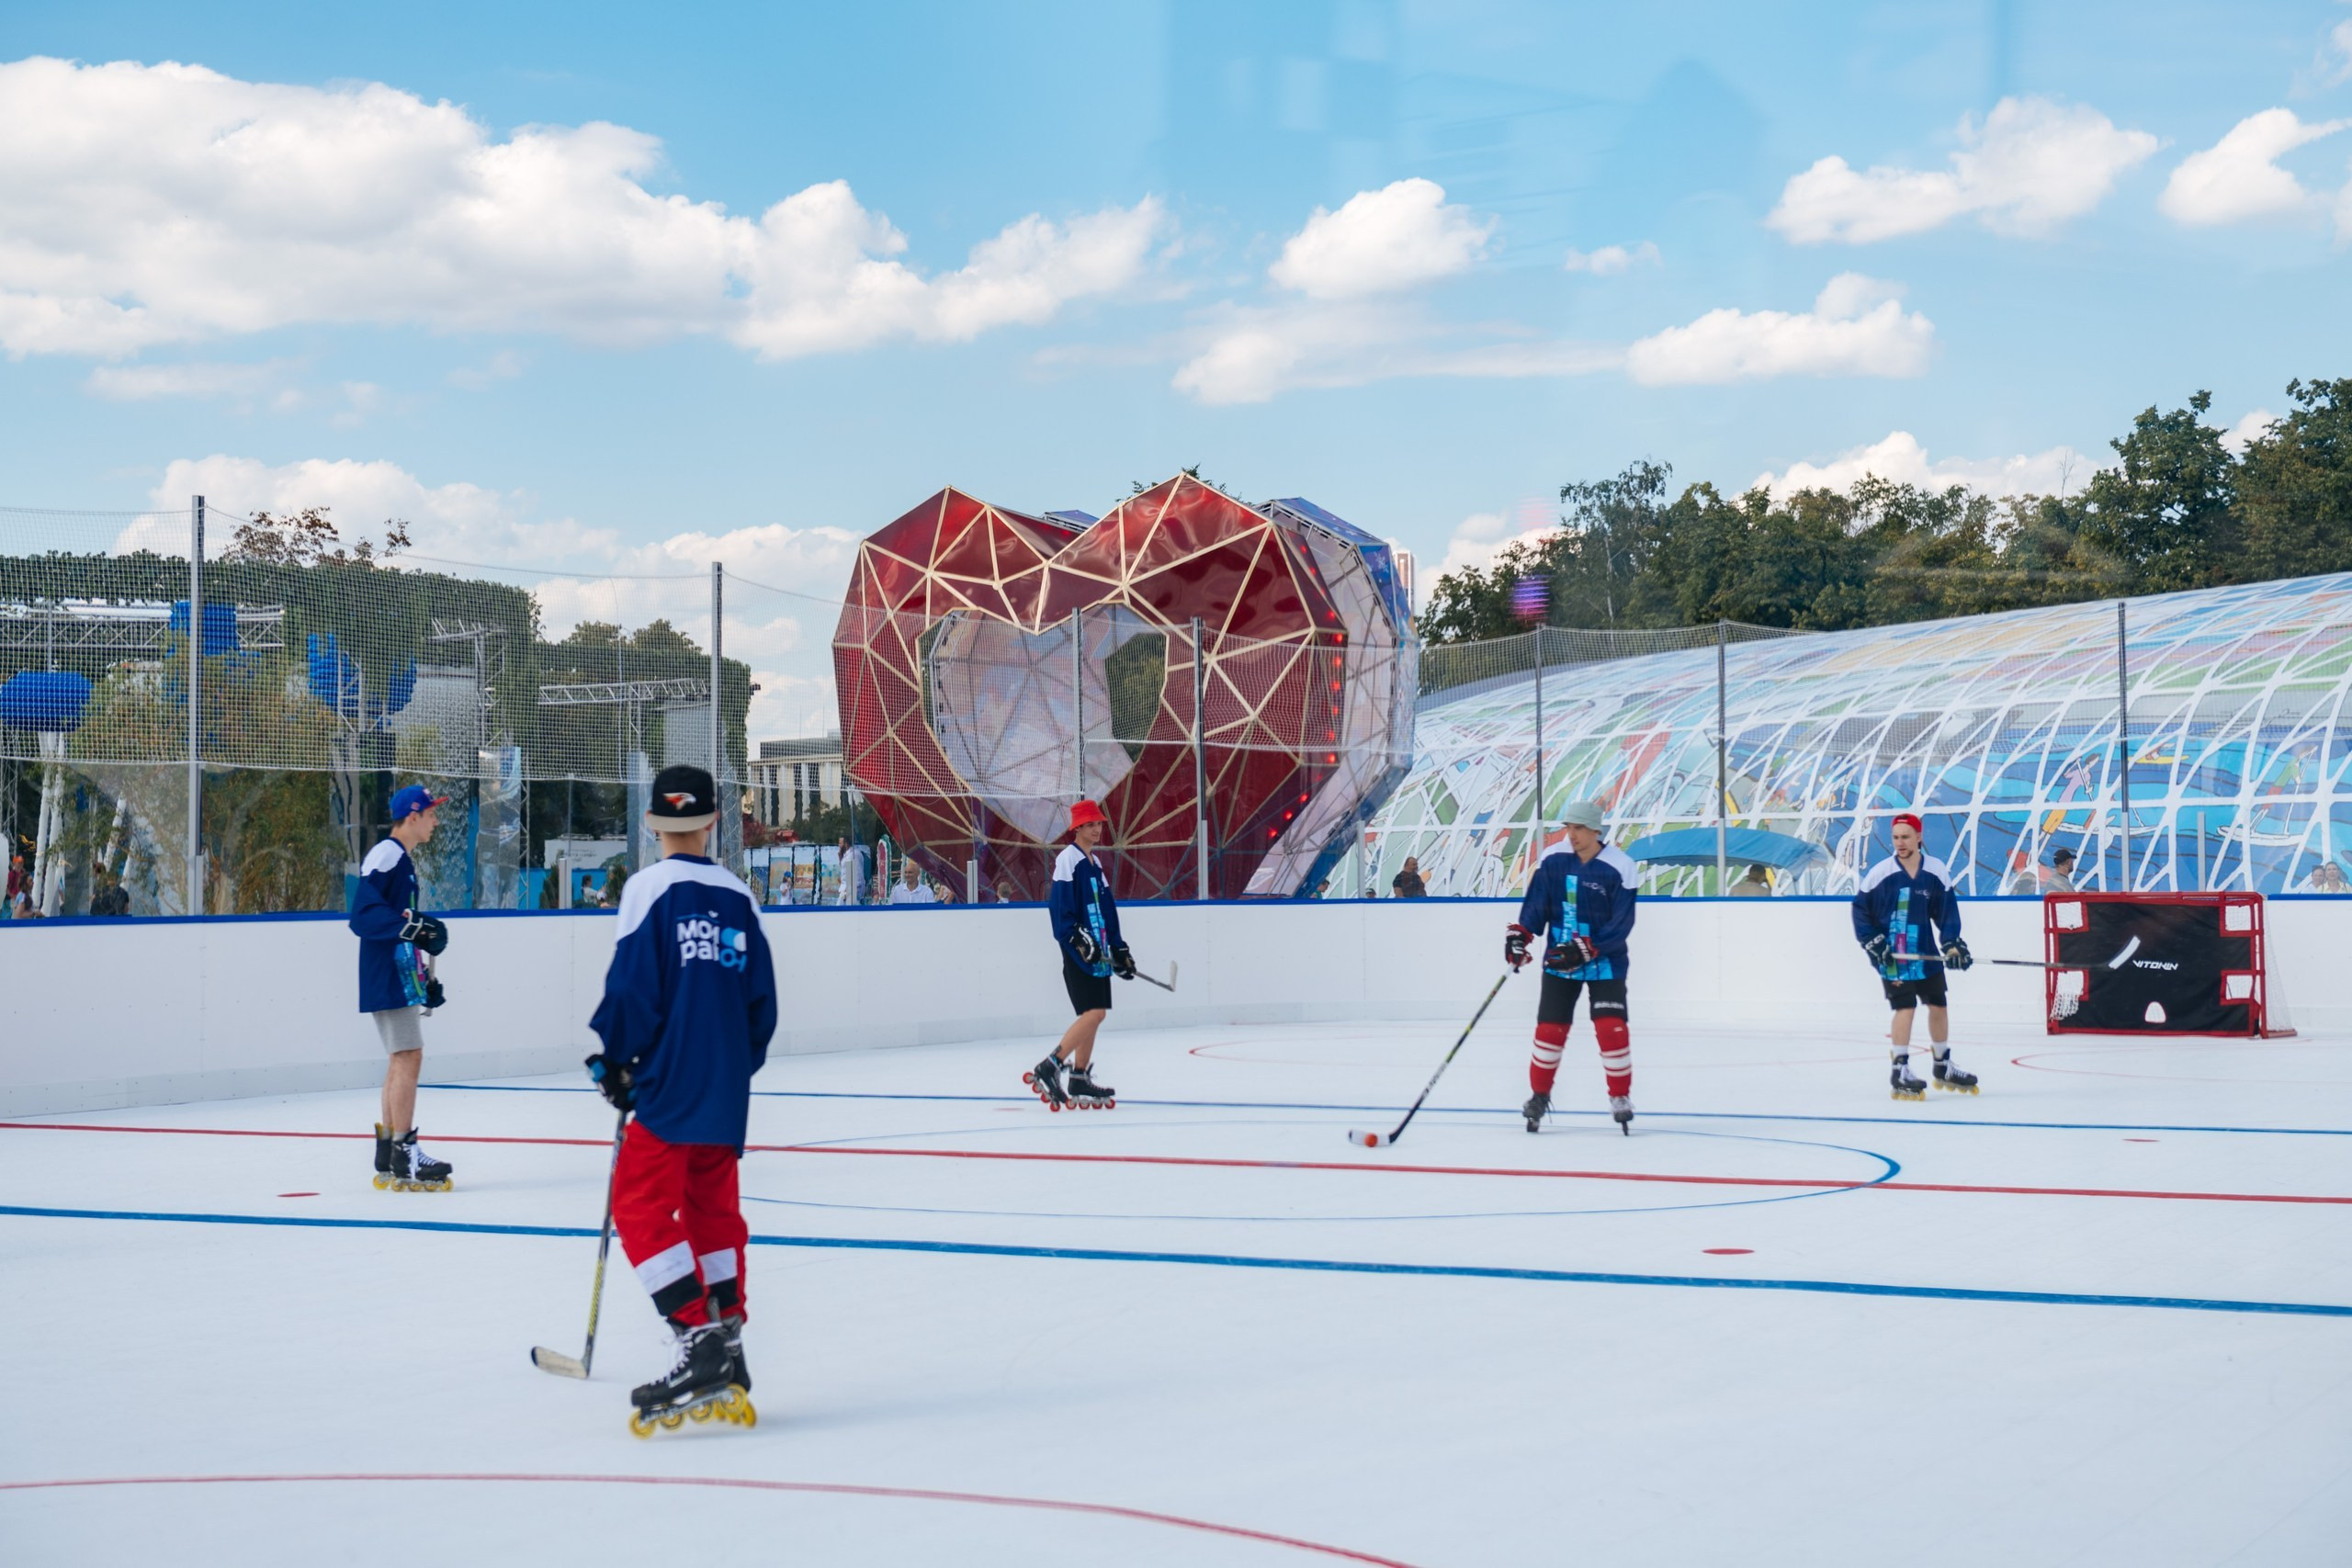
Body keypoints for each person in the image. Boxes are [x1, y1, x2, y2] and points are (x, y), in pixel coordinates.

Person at [587, 763, 777, 1435]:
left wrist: (614, 1061)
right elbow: (762, 1008)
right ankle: (727, 1335)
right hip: (724, 1085)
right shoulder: (739, 897)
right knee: (713, 1212)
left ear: (651, 823)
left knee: (637, 1203)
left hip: (670, 1080)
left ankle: (695, 1337)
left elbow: (634, 989)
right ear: (713, 819)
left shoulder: (647, 889)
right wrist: (731, 1066)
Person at [1505, 799, 1639, 1134]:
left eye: (1579, 828)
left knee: (1611, 1029)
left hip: (1606, 962)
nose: (1572, 835)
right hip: (1559, 960)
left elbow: (1622, 923)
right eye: (1568, 827)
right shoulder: (1553, 860)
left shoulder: (1620, 866)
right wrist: (1522, 934)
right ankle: (1538, 1096)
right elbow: (1537, 905)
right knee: (1549, 1032)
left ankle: (1620, 1097)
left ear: (1596, 830)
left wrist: (1590, 947)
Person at [350, 785, 454, 1191]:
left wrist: (424, 974)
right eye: (431, 814)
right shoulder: (389, 854)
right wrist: (410, 929)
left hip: (395, 971)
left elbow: (398, 918)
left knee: (400, 1058)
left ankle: (390, 1149)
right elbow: (363, 914)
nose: (436, 821)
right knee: (409, 1056)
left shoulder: (399, 859)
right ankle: (404, 1151)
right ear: (413, 816)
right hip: (387, 971)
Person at [1852, 812, 1974, 1100]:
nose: (1900, 843)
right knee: (1905, 1008)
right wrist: (1871, 940)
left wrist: (1952, 945)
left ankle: (1943, 1064)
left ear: (1919, 837)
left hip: (1925, 954)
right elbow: (1860, 911)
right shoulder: (1881, 873)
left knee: (1938, 1005)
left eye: (1905, 837)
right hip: (1892, 955)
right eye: (1895, 838)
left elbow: (1946, 912)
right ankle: (1900, 1069)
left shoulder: (1935, 870)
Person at [1025, 800, 1134, 1111]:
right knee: (1094, 1013)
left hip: (1099, 952)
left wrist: (1119, 947)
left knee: (1094, 1014)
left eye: (1099, 823)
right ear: (1077, 828)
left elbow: (1107, 910)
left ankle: (1079, 1076)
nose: (1097, 829)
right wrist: (1075, 937)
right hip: (1079, 953)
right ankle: (1051, 1065)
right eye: (1090, 824)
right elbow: (1059, 910)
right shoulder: (1067, 860)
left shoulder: (1096, 865)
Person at [835, 836, 868, 906]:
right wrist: (840, 858)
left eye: (840, 843)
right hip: (847, 889)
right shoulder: (846, 855)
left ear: (846, 844)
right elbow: (845, 871)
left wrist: (850, 891)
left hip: (850, 890)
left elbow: (856, 874)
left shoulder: (853, 855)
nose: (839, 846)